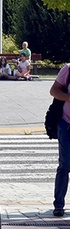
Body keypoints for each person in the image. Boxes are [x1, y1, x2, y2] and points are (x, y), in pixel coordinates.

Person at [51, 62, 70, 217]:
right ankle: (59, 204)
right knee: (65, 164)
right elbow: (54, 90)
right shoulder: (68, 69)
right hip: (66, 123)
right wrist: (68, 98)